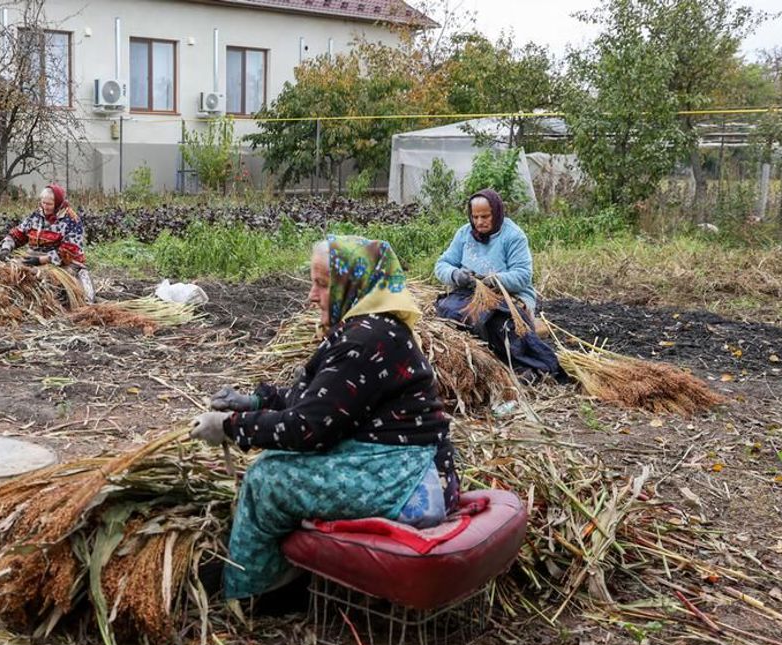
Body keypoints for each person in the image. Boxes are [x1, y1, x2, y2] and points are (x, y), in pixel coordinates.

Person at [189, 236, 460, 600]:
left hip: (411, 482)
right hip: (397, 465)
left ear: (353, 284)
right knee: (281, 462)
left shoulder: (366, 339)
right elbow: (320, 401)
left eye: (321, 284)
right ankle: (283, 567)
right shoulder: (370, 328)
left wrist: (230, 427)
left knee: (268, 478)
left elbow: (308, 428)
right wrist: (253, 401)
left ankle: (254, 593)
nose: (311, 296)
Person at [433, 189, 564, 382]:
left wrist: (494, 280)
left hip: (507, 298)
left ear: (497, 212)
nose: (479, 222)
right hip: (469, 295)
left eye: (485, 216)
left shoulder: (513, 236)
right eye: (475, 217)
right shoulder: (464, 234)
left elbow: (523, 275)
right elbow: (442, 264)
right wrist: (456, 275)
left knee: (499, 325)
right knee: (447, 311)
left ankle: (525, 366)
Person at [0, 184, 94, 302]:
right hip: (35, 258)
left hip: (63, 263)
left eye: (49, 204)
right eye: (43, 203)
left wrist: (40, 261)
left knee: (51, 282)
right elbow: (17, 234)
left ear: (58, 203)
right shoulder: (36, 216)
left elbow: (67, 252)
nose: (45, 207)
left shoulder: (72, 220)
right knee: (11, 273)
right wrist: (6, 248)